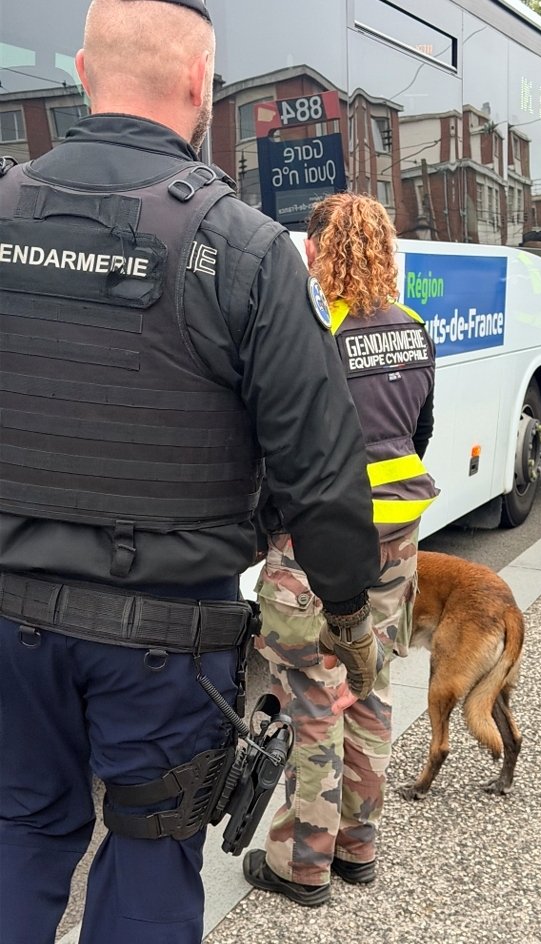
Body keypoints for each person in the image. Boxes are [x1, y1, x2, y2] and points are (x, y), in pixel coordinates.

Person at [0, 2, 382, 942]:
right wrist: (347, 616)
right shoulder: (244, 249)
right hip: (165, 642)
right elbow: (323, 470)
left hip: (8, 624)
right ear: (201, 81)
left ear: (85, 73)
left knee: (17, 834)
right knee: (148, 856)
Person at [243, 193, 438, 906]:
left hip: (322, 546)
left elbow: (285, 449)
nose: (306, 257)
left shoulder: (319, 331)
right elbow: (419, 437)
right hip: (398, 547)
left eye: (310, 246)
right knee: (372, 689)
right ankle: (359, 850)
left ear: (325, 251)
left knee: (314, 697)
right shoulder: (415, 330)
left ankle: (302, 865)